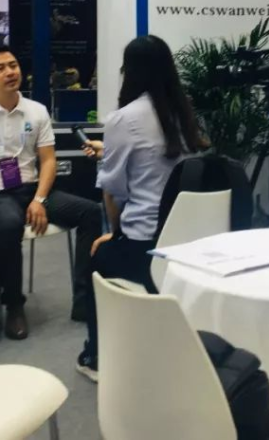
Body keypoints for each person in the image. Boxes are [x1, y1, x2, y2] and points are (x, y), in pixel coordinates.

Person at [0, 45, 101, 340]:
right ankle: (14, 304)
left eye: (13, 65)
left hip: (32, 190)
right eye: (0, 68)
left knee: (91, 213)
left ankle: (84, 301)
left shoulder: (36, 111)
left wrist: (39, 199)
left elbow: (48, 160)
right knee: (9, 224)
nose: (10, 72)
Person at [74, 35, 206, 382]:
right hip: (190, 242)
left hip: (147, 247)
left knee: (97, 259)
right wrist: (110, 151)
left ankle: (96, 356)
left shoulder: (124, 118)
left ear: (128, 72)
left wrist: (114, 235)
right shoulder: (185, 113)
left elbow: (113, 192)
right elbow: (159, 161)